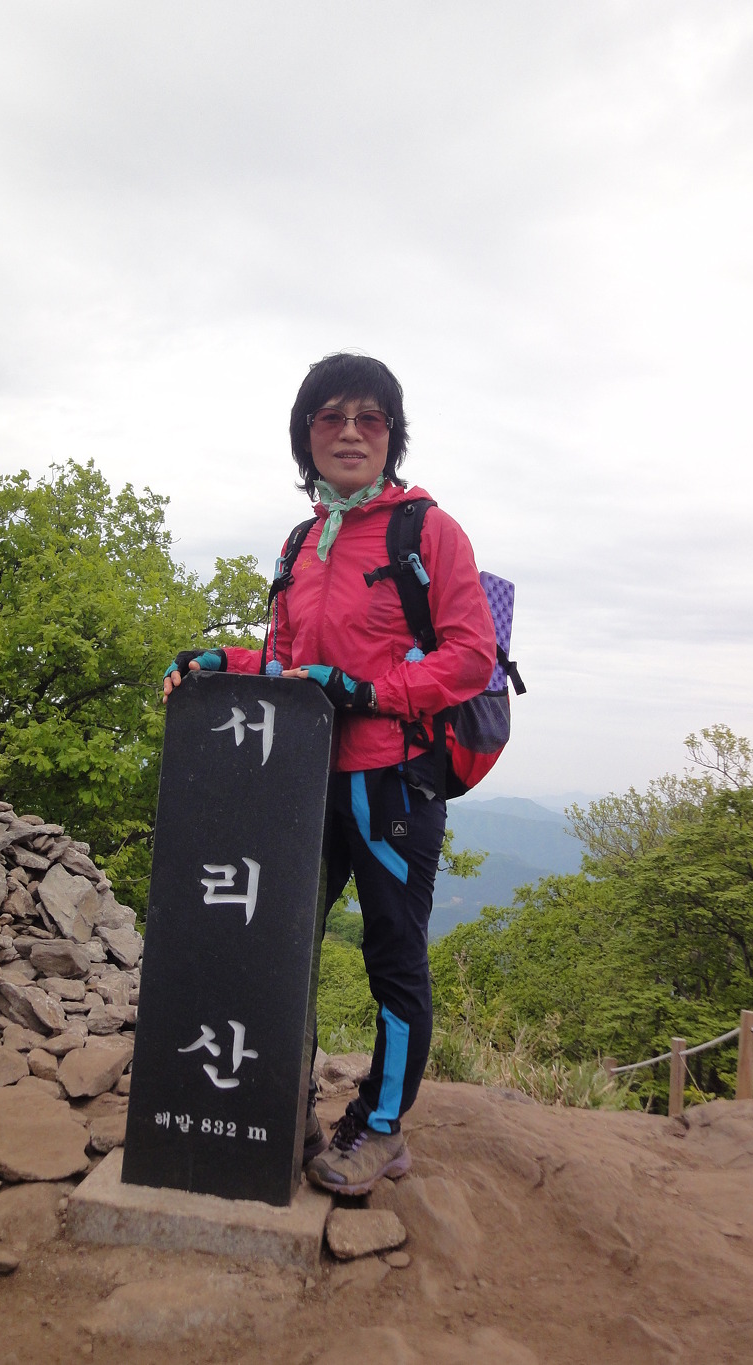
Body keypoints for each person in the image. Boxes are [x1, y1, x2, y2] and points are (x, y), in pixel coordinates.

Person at [164, 352, 496, 1196]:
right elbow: (291, 663)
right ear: (305, 435)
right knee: (279, 946)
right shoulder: (302, 540)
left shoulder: (429, 531)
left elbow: (471, 658)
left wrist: (370, 692)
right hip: (299, 780)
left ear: (392, 436)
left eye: (370, 418)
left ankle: (380, 1127)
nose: (351, 432)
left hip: (392, 781)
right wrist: (222, 661)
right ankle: (284, 1106)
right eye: (331, 417)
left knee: (392, 957)